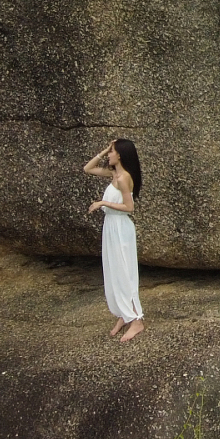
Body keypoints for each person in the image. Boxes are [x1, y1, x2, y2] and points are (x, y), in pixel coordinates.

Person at [83, 139, 145, 341]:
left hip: (120, 227)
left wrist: (103, 202)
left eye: (112, 151)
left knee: (125, 273)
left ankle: (136, 320)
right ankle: (124, 314)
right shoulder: (114, 174)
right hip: (111, 226)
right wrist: (104, 151)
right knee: (114, 272)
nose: (109, 154)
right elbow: (87, 169)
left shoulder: (124, 178)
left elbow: (129, 207)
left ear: (120, 155)